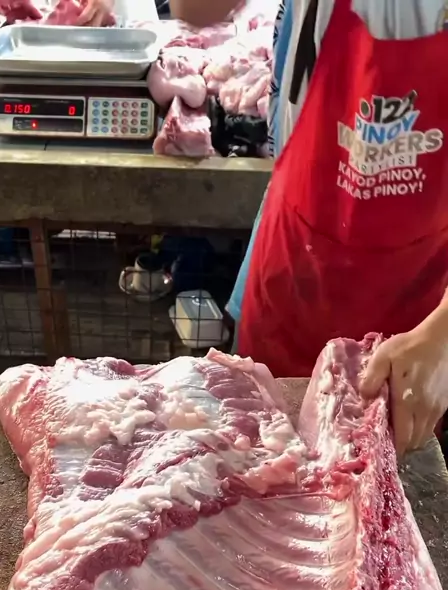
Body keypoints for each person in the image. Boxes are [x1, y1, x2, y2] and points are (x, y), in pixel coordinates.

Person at [171, 0, 448, 456]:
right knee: (257, 469)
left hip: (415, 318)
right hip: (291, 282)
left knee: (376, 487)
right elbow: (196, 8)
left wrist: (442, 336)